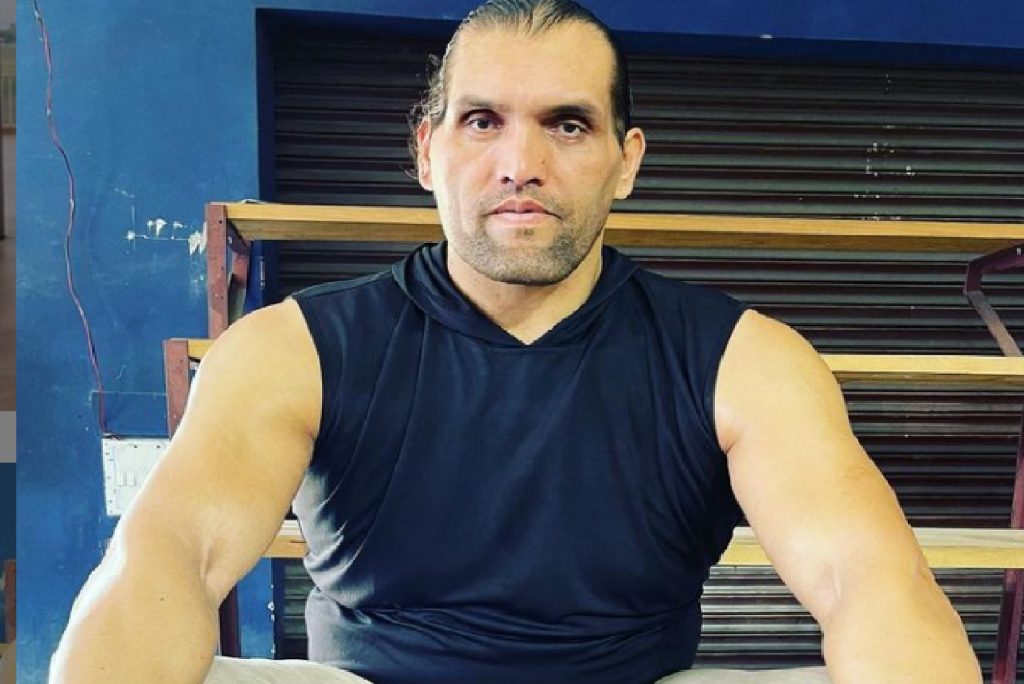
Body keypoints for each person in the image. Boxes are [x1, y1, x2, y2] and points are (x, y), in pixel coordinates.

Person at [50, 1, 981, 683]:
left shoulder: (747, 361)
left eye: (567, 125)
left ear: (626, 161)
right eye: (482, 121)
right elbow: (168, 554)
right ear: (427, 152)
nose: (520, 164)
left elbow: (866, 577)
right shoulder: (289, 349)